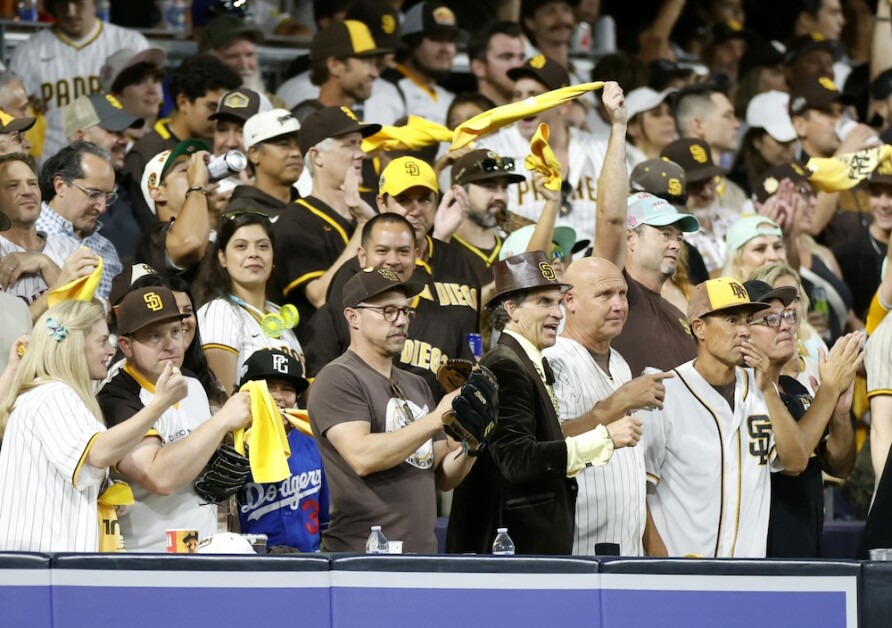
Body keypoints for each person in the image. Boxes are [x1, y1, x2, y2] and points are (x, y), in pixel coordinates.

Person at [447, 251, 643, 555]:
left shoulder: (528, 362)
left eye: (557, 301)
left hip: (527, 544)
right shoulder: (504, 365)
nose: (557, 313)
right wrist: (604, 439)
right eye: (543, 303)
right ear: (511, 309)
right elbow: (518, 460)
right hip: (508, 547)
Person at [308, 266, 478, 553]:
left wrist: (471, 445)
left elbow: (441, 476)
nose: (401, 320)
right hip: (360, 556)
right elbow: (361, 456)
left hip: (420, 555)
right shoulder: (337, 377)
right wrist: (437, 418)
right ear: (353, 317)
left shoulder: (417, 384)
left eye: (405, 311)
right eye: (388, 311)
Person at [0, 300, 187, 552]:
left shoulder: (44, 394)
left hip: (39, 564)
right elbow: (98, 453)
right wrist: (160, 403)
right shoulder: (53, 394)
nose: (110, 351)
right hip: (42, 567)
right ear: (76, 345)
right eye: (102, 341)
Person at [643, 277, 809, 557]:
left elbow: (796, 461)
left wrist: (768, 387)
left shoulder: (760, 389)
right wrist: (662, 566)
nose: (744, 330)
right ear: (699, 328)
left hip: (745, 577)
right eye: (732, 320)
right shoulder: (664, 393)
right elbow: (639, 492)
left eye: (746, 320)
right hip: (682, 575)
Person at [98, 286, 252, 552]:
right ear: (126, 345)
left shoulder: (192, 385)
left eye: (175, 332)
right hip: (145, 558)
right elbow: (159, 477)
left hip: (201, 547)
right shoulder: (117, 398)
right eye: (154, 336)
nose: (170, 344)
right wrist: (221, 422)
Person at [544, 257, 673, 556]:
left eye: (623, 294)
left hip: (626, 546)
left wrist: (649, 543)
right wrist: (622, 401)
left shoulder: (620, 362)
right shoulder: (553, 360)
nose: (619, 305)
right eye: (605, 295)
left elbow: (629, 465)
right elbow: (552, 442)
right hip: (576, 547)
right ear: (570, 301)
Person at [744, 279, 859, 557]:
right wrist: (828, 392)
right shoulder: (742, 396)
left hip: (808, 551)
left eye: (787, 316)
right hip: (764, 558)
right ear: (743, 332)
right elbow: (794, 461)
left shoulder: (797, 390)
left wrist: (840, 414)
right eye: (769, 319)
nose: (785, 325)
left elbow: (839, 467)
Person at [273, 105, 380, 338]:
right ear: (316, 156)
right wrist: (364, 226)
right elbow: (320, 296)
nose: (360, 153)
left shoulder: (373, 206)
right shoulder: (294, 221)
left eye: (360, 144)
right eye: (349, 144)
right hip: (324, 356)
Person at [9, 0, 150, 161]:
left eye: (78, 3)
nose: (71, 11)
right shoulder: (29, 50)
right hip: (53, 167)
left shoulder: (130, 42)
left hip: (119, 164)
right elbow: (9, 114)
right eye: (63, 3)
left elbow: (153, 102)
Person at [194, 212, 306, 396]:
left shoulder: (278, 313)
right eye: (241, 246)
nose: (253, 254)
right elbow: (223, 397)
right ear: (222, 257)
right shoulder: (219, 311)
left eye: (262, 246)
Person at [236, 349, 329, 552]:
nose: (278, 396)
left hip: (308, 560)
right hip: (249, 562)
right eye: (268, 387)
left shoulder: (314, 441)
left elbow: (326, 519)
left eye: (287, 389)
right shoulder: (231, 442)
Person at [0, 152, 98, 321]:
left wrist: (45, 263)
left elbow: (97, 316)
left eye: (32, 183)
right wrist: (59, 289)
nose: (27, 191)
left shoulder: (70, 247)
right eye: (13, 185)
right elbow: (6, 334)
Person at [123, 55, 241, 184]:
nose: (218, 117)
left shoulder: (219, 146)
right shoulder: (145, 154)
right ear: (183, 102)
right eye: (212, 107)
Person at [61, 93, 147, 259]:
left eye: (124, 132)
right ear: (80, 138)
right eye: (113, 131)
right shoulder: (58, 200)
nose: (124, 141)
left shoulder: (130, 187)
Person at [36, 141, 121, 302]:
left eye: (107, 196)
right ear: (60, 186)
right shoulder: (27, 234)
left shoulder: (106, 248)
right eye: (93, 194)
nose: (102, 207)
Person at [136, 140, 214, 282]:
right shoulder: (154, 238)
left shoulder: (220, 224)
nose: (198, 174)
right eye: (185, 171)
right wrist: (197, 185)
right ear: (158, 193)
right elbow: (190, 242)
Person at [450, 148, 526, 287]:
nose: (500, 196)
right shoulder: (441, 251)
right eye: (489, 186)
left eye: (504, 187)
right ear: (458, 193)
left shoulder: (514, 249)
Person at [660, 137, 736, 275]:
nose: (707, 192)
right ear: (674, 188)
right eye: (696, 185)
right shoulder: (672, 236)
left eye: (711, 181)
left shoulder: (732, 218)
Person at [380, 2, 460, 126]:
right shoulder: (384, 90)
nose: (446, 49)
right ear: (411, 43)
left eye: (450, 41)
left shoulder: (450, 97)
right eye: (436, 39)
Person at [226, 109, 302, 213]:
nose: (296, 153)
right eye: (284, 144)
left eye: (298, 144)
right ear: (254, 154)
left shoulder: (307, 208)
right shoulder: (242, 213)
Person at [99, 48, 166, 142]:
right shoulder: (103, 146)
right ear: (115, 96)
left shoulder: (161, 141)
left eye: (155, 80)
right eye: (140, 82)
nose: (153, 90)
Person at [468, 21, 526, 107]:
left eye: (521, 57)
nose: (518, 65)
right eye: (506, 57)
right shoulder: (464, 118)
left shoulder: (536, 117)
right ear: (478, 67)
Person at [624, 87, 677, 170]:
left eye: (670, 113)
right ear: (632, 127)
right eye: (656, 114)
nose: (669, 120)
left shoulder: (681, 164)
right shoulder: (622, 170)